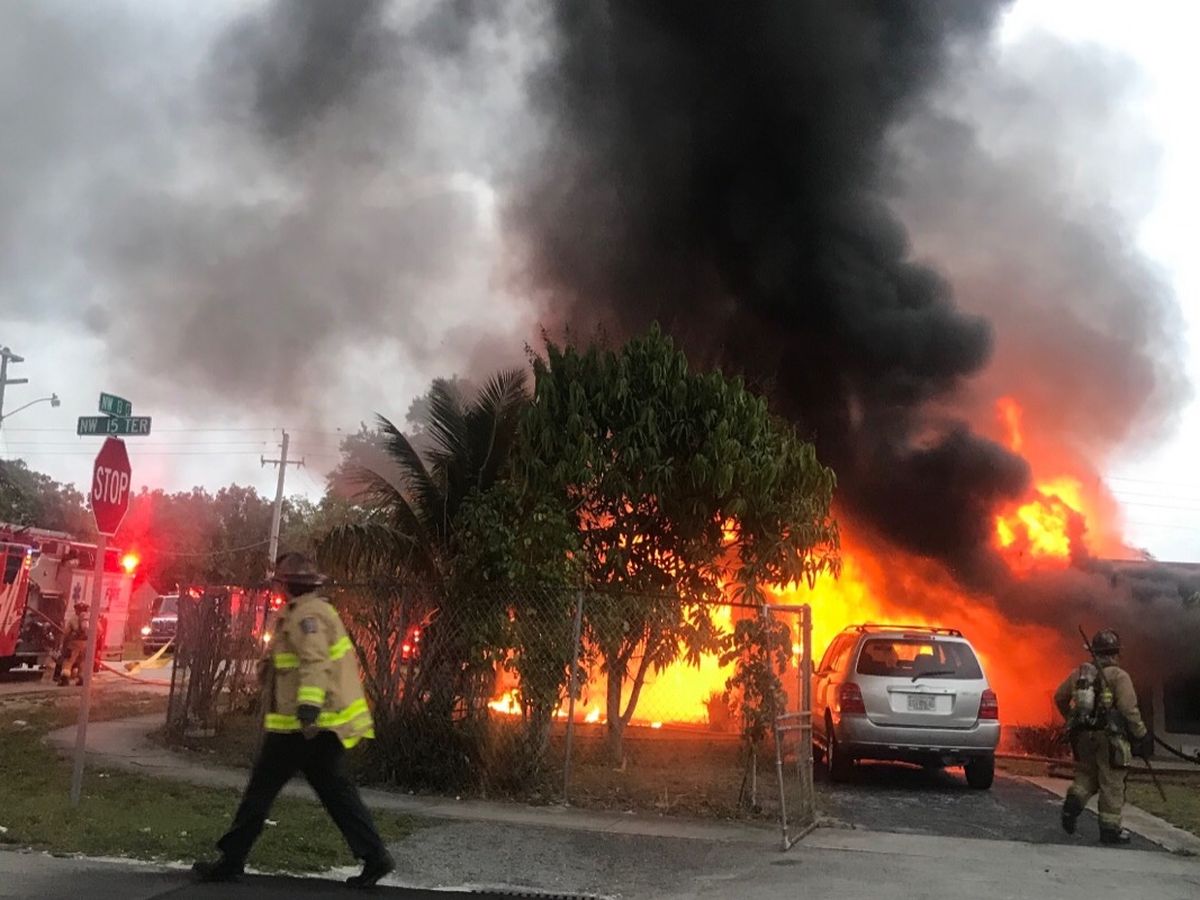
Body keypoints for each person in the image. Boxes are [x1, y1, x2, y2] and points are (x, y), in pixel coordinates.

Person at [192, 553, 395, 887]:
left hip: (305, 727)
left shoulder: (306, 616)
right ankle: (375, 857)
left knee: (262, 792)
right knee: (335, 794)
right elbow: (293, 663)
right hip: (311, 728)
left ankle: (231, 860)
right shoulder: (306, 611)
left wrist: (308, 709)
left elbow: (315, 662)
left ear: (285, 584)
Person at [1053, 628, 1152, 845]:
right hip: (1111, 739)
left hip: (1083, 737)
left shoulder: (1079, 675)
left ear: (1094, 652)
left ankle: (1074, 800)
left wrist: (1071, 718)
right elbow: (1128, 709)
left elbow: (1059, 697)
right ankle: (1110, 829)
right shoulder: (1119, 676)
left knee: (1086, 775)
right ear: (1116, 653)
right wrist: (1141, 734)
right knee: (1111, 782)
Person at [56, 601, 89, 686]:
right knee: (82, 662)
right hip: (86, 644)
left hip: (74, 644)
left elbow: (66, 632)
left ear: (76, 609)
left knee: (68, 661)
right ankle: (81, 679)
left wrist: (63, 643)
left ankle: (64, 679)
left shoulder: (73, 619)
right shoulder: (89, 618)